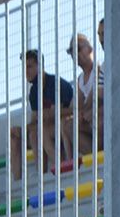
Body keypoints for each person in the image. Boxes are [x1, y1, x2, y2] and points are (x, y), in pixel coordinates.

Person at [11, 49, 75, 179]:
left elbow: (62, 113)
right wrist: (22, 130)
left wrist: (48, 115)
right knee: (16, 133)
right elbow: (35, 120)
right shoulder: (34, 92)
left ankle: (62, 167)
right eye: (24, 67)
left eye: (29, 66)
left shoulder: (55, 84)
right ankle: (18, 183)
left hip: (65, 125)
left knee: (38, 132)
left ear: (39, 65)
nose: (26, 71)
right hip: (46, 127)